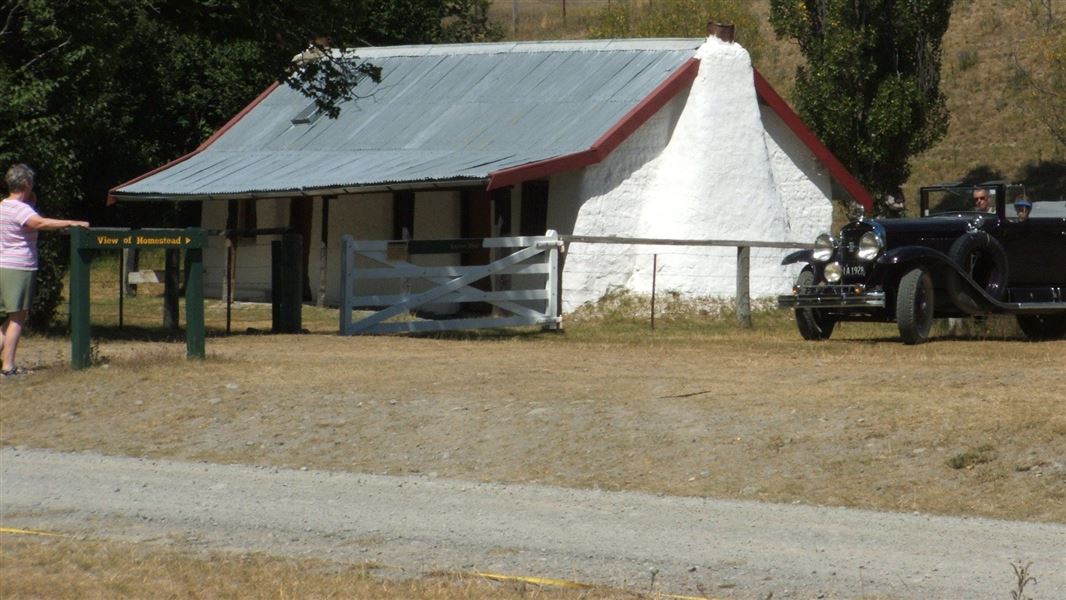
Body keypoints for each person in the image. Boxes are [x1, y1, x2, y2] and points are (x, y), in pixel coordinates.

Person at [1, 164, 89, 377]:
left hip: (3, 264)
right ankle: (8, 366)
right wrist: (71, 222)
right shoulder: (21, 209)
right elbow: (39, 222)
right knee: (18, 317)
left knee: (9, 317)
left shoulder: (3, 206)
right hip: (19, 266)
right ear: (26, 184)